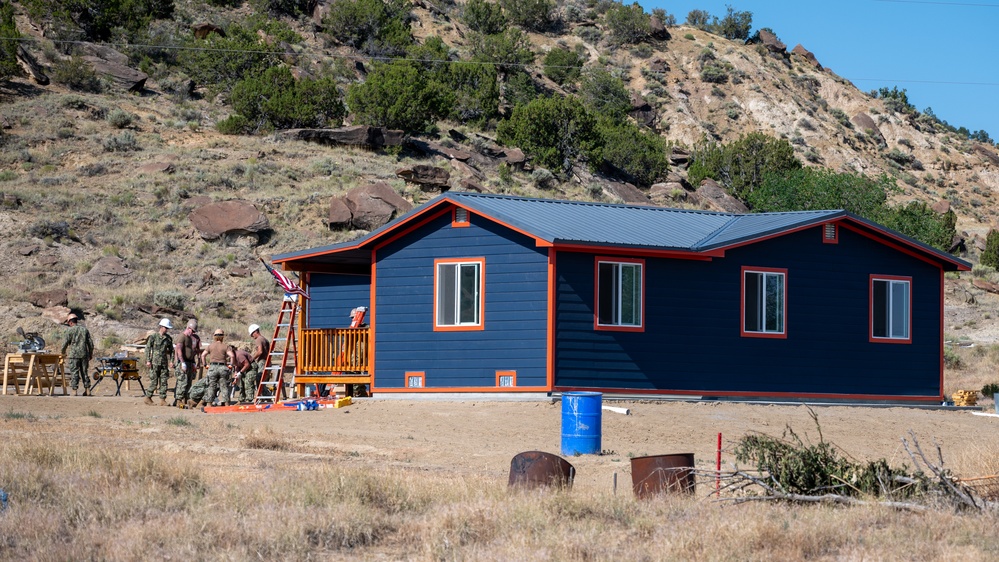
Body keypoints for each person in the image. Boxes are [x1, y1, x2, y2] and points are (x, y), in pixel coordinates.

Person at [197, 329, 234, 408]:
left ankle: (209, 404)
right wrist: (231, 365)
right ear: (222, 337)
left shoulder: (210, 346)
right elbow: (232, 356)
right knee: (224, 386)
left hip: (212, 367)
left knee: (211, 386)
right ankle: (227, 404)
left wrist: (205, 365)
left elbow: (203, 355)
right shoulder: (225, 346)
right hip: (223, 368)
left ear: (214, 336)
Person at [61, 313, 94, 396]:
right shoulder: (84, 330)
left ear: (70, 322)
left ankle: (74, 390)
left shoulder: (69, 331)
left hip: (73, 355)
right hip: (84, 354)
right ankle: (87, 390)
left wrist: (63, 352)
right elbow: (91, 344)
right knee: (84, 372)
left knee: (74, 372)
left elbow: (64, 344)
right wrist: (90, 354)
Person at [143, 318, 174, 406]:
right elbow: (148, 348)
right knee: (154, 381)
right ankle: (148, 397)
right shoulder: (153, 337)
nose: (166, 330)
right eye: (165, 328)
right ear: (161, 326)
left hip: (164, 363)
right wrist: (148, 360)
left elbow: (172, 351)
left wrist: (171, 361)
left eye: (167, 328)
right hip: (154, 362)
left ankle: (163, 400)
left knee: (164, 381)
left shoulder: (168, 339)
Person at [174, 319, 199, 407]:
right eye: (192, 331)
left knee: (188, 382)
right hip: (183, 363)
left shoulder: (189, 338)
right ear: (188, 328)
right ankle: (178, 400)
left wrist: (193, 362)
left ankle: (185, 398)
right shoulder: (182, 336)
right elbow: (179, 349)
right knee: (182, 382)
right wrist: (182, 362)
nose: (193, 333)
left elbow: (192, 350)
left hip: (189, 362)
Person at [246, 323, 270, 399]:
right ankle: (266, 397)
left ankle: (268, 397)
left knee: (260, 381)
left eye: (252, 335)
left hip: (262, 362)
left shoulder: (259, 339)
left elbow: (260, 351)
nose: (252, 337)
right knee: (261, 382)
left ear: (255, 332)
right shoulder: (264, 339)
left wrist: (252, 358)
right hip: (267, 361)